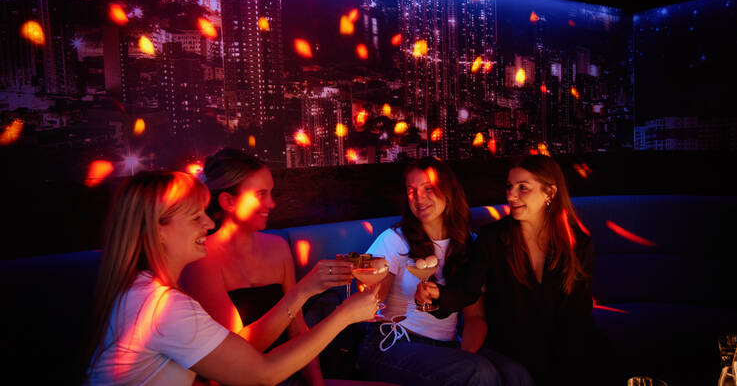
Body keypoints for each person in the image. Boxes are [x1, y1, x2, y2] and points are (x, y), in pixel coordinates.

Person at [83, 171, 378, 386]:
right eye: (195, 217)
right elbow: (264, 373)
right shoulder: (161, 307)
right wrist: (344, 315)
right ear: (159, 229)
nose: (208, 223)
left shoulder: (142, 290)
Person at [416, 155, 608, 385]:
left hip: (564, 347)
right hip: (512, 350)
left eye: (522, 188)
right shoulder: (492, 239)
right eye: (509, 187)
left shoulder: (578, 244)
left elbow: (578, 316)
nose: (510, 195)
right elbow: (466, 291)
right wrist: (437, 296)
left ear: (550, 193)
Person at [179, 148, 355, 386]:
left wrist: (317, 384)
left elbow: (297, 329)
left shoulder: (278, 247)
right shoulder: (201, 259)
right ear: (228, 201)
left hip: (289, 373)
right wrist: (302, 291)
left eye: (271, 193)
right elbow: (236, 356)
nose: (271, 203)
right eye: (261, 194)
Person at [357, 157, 533, 386]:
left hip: (446, 346)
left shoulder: (468, 243)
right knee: (478, 372)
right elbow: (371, 307)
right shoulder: (394, 240)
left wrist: (465, 354)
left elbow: (475, 319)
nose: (419, 198)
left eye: (428, 188)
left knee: (516, 375)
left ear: (447, 191)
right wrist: (367, 285)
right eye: (412, 191)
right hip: (391, 344)